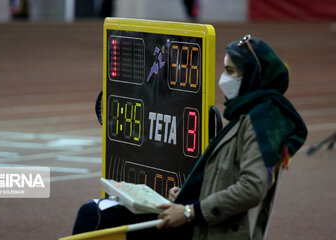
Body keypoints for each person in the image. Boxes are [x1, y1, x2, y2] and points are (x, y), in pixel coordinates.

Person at [72, 35, 307, 240]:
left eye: (230, 71)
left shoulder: (262, 122)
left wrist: (188, 211)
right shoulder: (249, 114)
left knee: (96, 214)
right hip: (197, 218)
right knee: (99, 210)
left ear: (253, 76)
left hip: (205, 230)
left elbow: (251, 188)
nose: (223, 79)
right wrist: (187, 195)